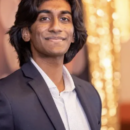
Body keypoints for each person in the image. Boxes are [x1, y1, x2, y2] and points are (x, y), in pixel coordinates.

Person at [0, 0, 102, 130]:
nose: (56, 27)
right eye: (45, 18)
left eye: (64, 19)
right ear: (26, 32)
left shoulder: (90, 94)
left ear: (73, 35)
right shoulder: (5, 94)